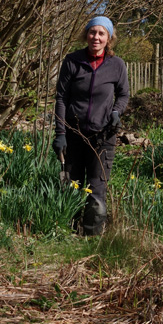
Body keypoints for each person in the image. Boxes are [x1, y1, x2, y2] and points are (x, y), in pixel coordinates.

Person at [53, 15, 130, 235]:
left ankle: (90, 238)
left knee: (97, 190)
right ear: (86, 34)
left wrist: (116, 111)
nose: (96, 37)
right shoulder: (72, 61)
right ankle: (65, 233)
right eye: (92, 32)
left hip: (103, 137)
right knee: (71, 185)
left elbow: (124, 94)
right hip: (73, 135)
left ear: (109, 38)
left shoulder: (116, 65)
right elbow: (61, 99)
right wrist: (60, 134)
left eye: (101, 33)